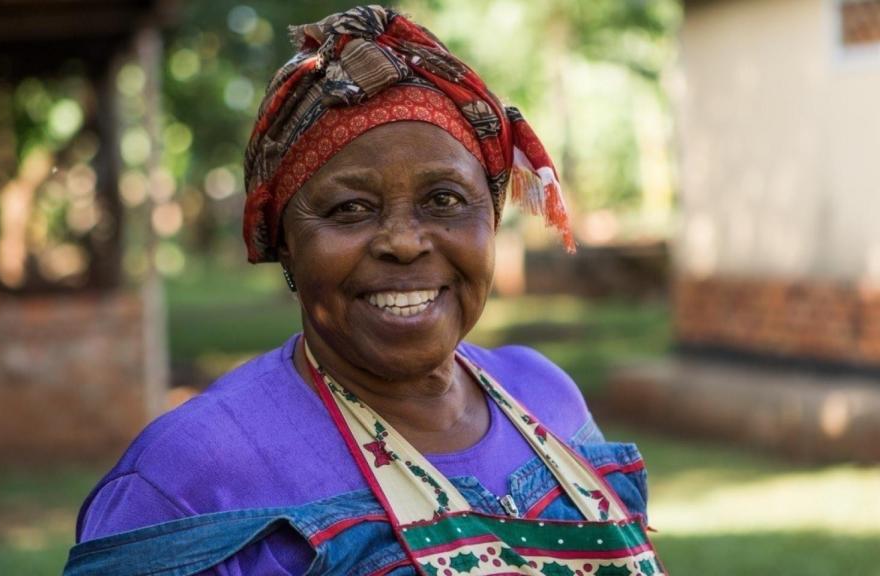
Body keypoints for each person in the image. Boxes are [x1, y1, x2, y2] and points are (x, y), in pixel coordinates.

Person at [64, 6, 665, 575]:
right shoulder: (191, 476)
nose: (403, 242)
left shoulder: (546, 395)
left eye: (445, 200)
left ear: (493, 219)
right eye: (350, 209)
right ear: (284, 244)